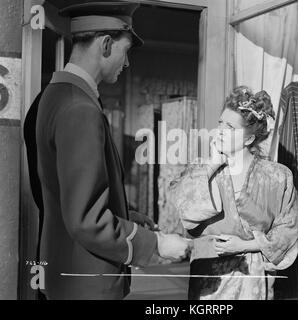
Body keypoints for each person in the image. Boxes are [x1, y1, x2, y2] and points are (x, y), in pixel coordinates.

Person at [25, 2, 189, 300]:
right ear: (105, 44)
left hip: (65, 273)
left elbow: (70, 197)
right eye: (125, 52)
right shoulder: (80, 108)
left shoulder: (55, 95)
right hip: (86, 284)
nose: (126, 64)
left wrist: (126, 215)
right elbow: (87, 218)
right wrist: (155, 244)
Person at [170, 86, 298, 300]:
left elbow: (290, 229)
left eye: (231, 127)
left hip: (252, 281)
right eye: (220, 123)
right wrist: (211, 165)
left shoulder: (277, 176)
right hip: (209, 282)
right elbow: (184, 211)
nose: (221, 130)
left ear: (249, 139)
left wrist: (245, 245)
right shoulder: (201, 169)